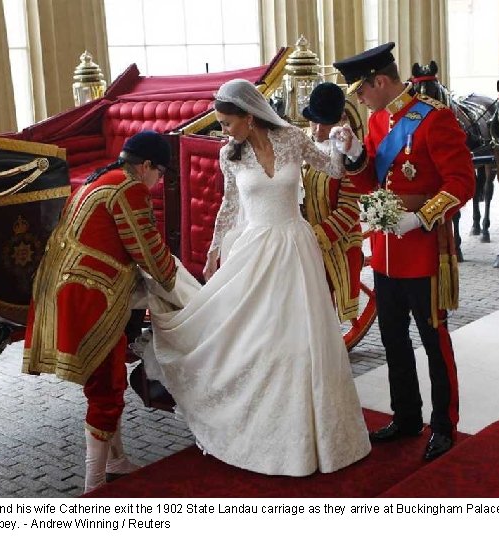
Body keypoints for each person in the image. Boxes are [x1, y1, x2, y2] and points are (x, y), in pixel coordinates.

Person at [142, 78, 371, 477]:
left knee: (304, 341)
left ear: (249, 117)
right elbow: (230, 206)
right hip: (255, 249)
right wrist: (215, 248)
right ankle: (263, 426)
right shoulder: (230, 155)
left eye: (228, 123)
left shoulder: (294, 139)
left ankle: (316, 436)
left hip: (296, 246)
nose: (224, 130)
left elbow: (333, 169)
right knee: (259, 339)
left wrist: (343, 142)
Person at [332, 43, 474, 461]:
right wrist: (355, 155)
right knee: (393, 338)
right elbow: (371, 187)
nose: (359, 99)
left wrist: (424, 217)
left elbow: (462, 182)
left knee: (434, 342)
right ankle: (407, 416)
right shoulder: (377, 122)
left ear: (379, 80)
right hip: (387, 253)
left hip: (425, 253)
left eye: (361, 89)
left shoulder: (435, 118)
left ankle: (444, 425)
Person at [22, 130, 177, 493]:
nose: (159, 182)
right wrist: (179, 285)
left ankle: (116, 461)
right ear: (147, 166)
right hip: (92, 295)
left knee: (105, 382)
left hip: (67, 288)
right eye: (160, 173)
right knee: (106, 386)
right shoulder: (129, 189)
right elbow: (150, 253)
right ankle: (94, 486)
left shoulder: (101, 179)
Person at [300, 82, 364, 322]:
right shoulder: (306, 145)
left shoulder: (349, 153)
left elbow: (349, 209)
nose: (316, 129)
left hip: (337, 240)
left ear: (338, 122)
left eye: (323, 123)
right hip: (304, 236)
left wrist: (315, 237)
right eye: (312, 121)